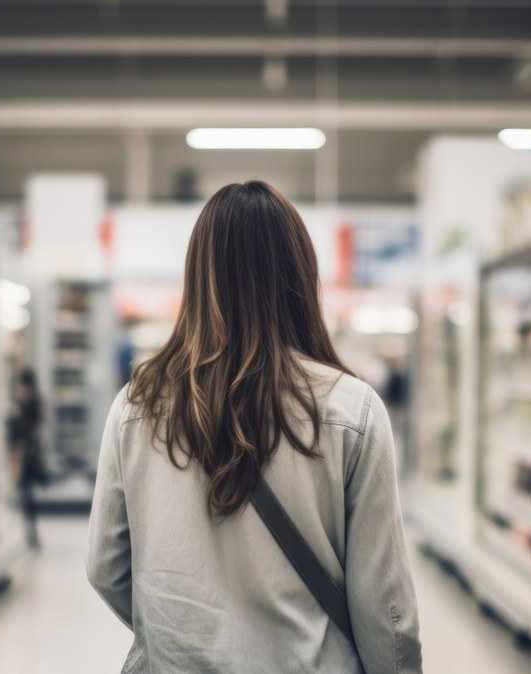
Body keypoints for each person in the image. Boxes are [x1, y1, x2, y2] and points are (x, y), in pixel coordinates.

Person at [87, 181, 423, 673]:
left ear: (198, 278)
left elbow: (105, 566)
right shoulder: (352, 411)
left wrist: (178, 632)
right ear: (299, 275)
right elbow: (384, 607)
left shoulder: (137, 405)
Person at [11, 368, 46, 546]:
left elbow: (20, 430)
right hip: (33, 454)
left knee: (26, 494)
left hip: (25, 455)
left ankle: (30, 532)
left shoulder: (24, 403)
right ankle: (31, 532)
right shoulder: (37, 401)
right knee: (28, 494)